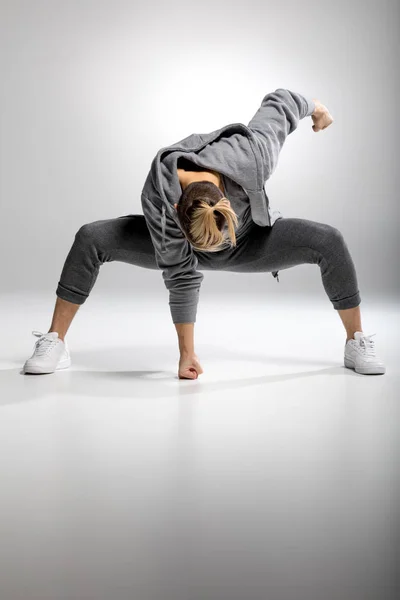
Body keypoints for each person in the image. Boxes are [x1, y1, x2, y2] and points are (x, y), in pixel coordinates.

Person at [23, 88, 386, 379]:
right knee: (92, 236)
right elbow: (181, 275)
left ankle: (355, 342)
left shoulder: (251, 156)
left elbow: (281, 102)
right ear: (179, 215)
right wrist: (187, 355)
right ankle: (55, 341)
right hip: (179, 248)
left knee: (329, 240)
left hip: (247, 243)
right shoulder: (160, 194)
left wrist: (317, 107)